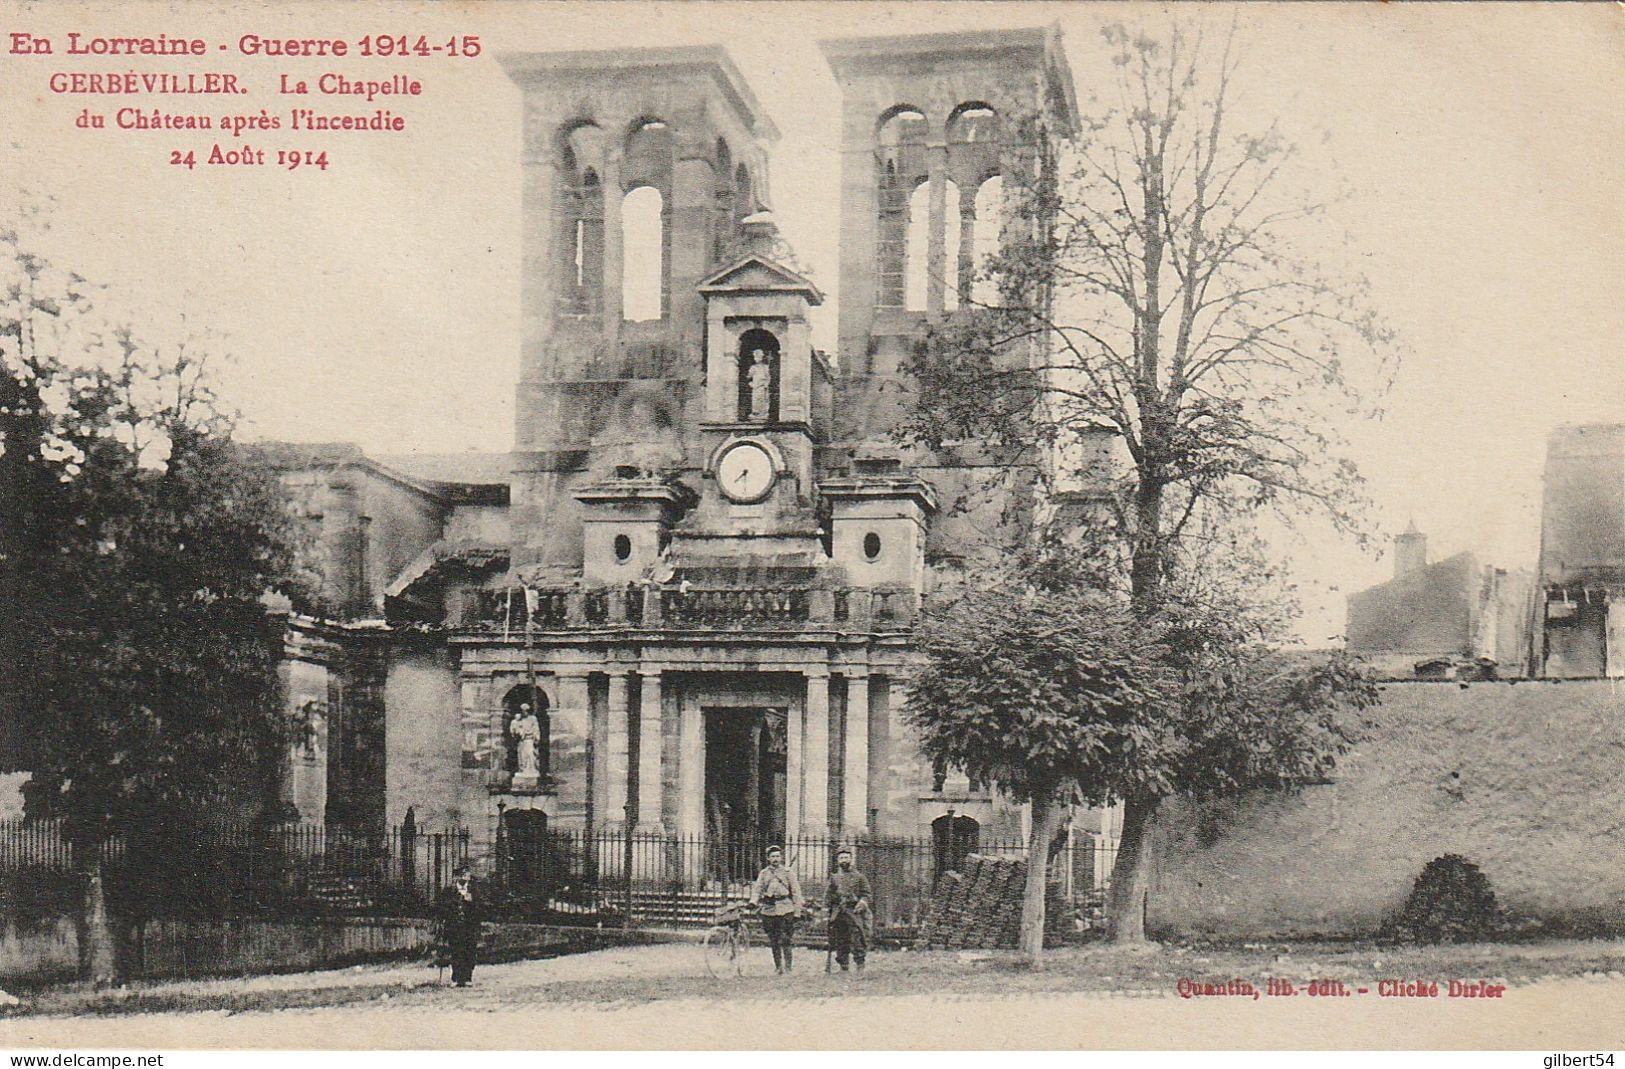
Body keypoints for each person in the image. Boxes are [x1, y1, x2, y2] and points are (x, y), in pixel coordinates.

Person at [748, 845, 803, 974]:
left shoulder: (788, 873)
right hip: (769, 909)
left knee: (785, 938)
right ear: (768, 858)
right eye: (772, 856)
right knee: (773, 939)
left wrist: (797, 910)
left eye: (777, 856)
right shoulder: (764, 873)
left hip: (786, 907)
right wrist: (753, 901)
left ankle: (788, 966)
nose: (775, 859)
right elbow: (757, 889)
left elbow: (796, 892)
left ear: (781, 857)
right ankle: (778, 966)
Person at [825, 847, 871, 974]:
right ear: (837, 860)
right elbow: (828, 896)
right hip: (838, 912)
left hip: (853, 911)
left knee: (857, 938)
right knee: (840, 939)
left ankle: (860, 965)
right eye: (841, 858)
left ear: (851, 859)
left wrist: (862, 902)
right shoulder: (834, 877)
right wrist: (828, 908)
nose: (844, 860)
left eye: (846, 857)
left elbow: (867, 894)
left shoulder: (859, 877)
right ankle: (843, 966)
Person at [435, 863, 482, 987]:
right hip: (454, 927)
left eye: (467, 875)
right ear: (457, 877)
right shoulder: (449, 891)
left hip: (469, 927)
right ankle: (456, 978)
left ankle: (467, 978)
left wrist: (471, 902)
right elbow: (441, 907)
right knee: (456, 951)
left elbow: (480, 909)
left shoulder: (473, 891)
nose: (465, 878)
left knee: (469, 951)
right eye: (463, 875)